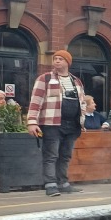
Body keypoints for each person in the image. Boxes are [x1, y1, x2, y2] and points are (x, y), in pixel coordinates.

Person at [26, 49, 87, 196]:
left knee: (65, 155)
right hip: (51, 124)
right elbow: (36, 101)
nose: (57, 61)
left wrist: (82, 122)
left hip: (72, 125)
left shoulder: (76, 81)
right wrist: (32, 122)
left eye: (61, 59)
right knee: (51, 155)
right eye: (55, 59)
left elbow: (82, 103)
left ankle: (63, 183)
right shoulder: (45, 78)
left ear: (68, 62)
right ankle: (50, 184)